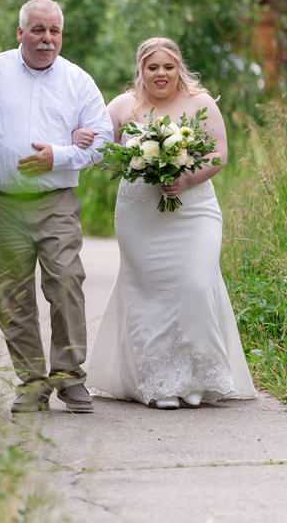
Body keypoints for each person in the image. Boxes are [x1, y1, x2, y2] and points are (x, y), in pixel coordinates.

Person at [0, 0, 113, 414]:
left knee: (67, 282)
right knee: (12, 295)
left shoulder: (77, 81)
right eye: (38, 30)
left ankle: (69, 377)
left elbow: (104, 139)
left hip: (54, 202)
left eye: (54, 31)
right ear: (20, 32)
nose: (47, 39)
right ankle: (32, 382)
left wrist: (60, 155)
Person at [81, 37, 257, 409]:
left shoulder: (200, 103)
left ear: (179, 69)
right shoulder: (124, 106)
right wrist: (80, 137)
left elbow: (219, 154)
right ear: (141, 71)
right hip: (139, 213)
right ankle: (158, 383)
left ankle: (197, 376)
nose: (160, 74)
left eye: (168, 67)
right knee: (149, 290)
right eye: (152, 67)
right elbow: (98, 150)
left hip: (195, 210)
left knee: (195, 283)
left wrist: (186, 179)